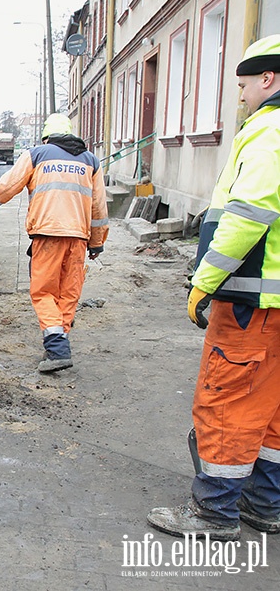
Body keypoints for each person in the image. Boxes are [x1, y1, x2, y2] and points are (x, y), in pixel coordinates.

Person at [147, 35, 280, 541]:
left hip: (253, 302)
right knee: (272, 408)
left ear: (267, 78)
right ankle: (265, 505)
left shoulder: (268, 131)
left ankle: (214, 514)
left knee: (227, 402)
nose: (241, 94)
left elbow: (249, 214)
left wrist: (204, 282)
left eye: (243, 84)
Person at [0, 114, 108, 373]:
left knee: (43, 292)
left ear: (46, 136)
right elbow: (98, 207)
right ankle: (57, 346)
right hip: (78, 238)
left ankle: (57, 348)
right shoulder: (91, 161)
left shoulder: (38, 154)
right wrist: (97, 243)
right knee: (68, 293)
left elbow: (6, 187)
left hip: (47, 234)